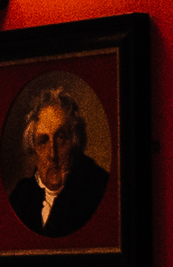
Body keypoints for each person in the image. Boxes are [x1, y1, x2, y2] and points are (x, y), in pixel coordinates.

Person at [7, 78, 111, 242]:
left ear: (74, 141)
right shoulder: (20, 198)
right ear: (33, 146)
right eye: (43, 141)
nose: (52, 154)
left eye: (61, 138)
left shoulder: (97, 187)